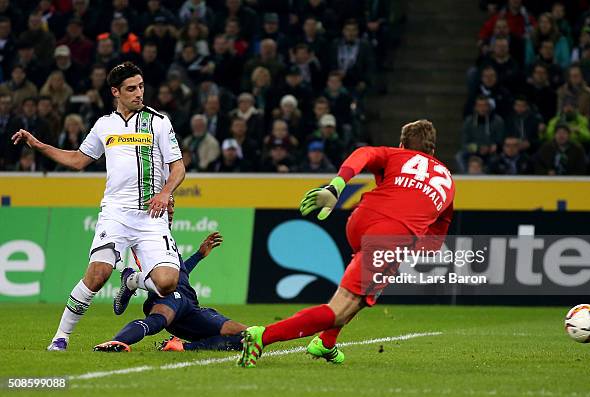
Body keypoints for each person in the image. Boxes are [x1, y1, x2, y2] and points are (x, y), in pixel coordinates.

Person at [238, 120, 455, 368]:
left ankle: (326, 342)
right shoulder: (448, 181)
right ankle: (262, 336)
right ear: (434, 152)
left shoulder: (396, 155)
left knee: (362, 295)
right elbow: (435, 241)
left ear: (402, 144)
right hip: (390, 235)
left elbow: (363, 153)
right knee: (339, 309)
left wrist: (337, 185)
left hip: (362, 218)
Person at [11, 62, 186, 351]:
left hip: (150, 215)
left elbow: (178, 168)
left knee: (167, 283)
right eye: (131, 89)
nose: (139, 93)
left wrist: (166, 192)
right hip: (115, 213)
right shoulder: (105, 125)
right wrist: (39, 145)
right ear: (116, 91)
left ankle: (132, 281)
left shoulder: (158, 122)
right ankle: (60, 338)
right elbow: (78, 160)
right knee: (97, 275)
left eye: (141, 86)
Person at [94, 201, 247, 352]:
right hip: (169, 297)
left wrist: (198, 255)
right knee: (156, 320)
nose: (171, 210)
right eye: (166, 205)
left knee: (248, 336)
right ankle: (117, 341)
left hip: (190, 304)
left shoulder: (166, 238)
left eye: (172, 205)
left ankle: (181, 347)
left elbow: (179, 273)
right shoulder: (147, 236)